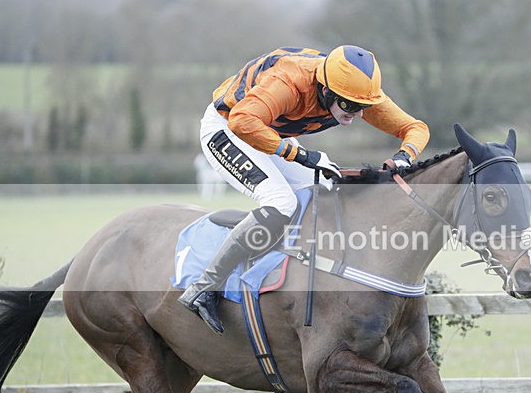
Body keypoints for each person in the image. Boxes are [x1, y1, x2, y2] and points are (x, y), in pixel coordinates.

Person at [179, 45, 430, 333]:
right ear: (325, 90)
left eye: (363, 107)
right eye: (348, 106)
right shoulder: (289, 82)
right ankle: (204, 288)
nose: (358, 114)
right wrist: (300, 155)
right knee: (281, 203)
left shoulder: (356, 88)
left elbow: (416, 128)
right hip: (228, 128)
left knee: (326, 190)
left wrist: (404, 156)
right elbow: (242, 122)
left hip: (270, 131)